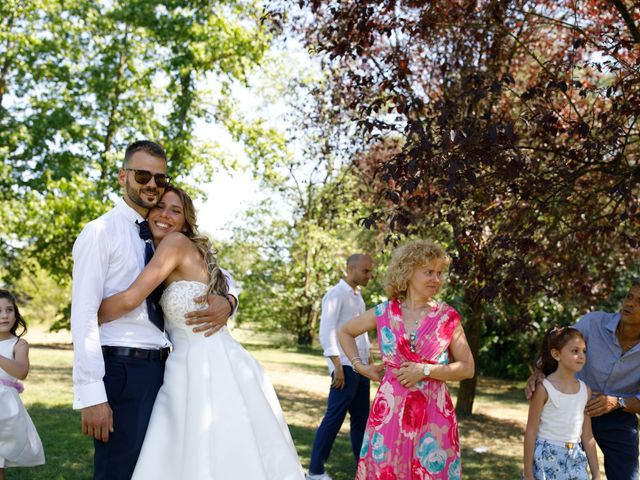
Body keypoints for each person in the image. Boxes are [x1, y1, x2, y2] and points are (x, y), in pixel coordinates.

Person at [97, 186, 304, 479]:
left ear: (185, 222)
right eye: (160, 207)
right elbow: (226, 279)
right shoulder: (174, 249)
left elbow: (132, 298)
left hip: (208, 364)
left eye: (175, 210)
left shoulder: (174, 243)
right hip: (193, 361)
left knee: (215, 451)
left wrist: (85, 313)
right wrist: (230, 298)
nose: (165, 215)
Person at [71, 140, 238, 480]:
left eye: (159, 179)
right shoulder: (100, 232)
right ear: (123, 176)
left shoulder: (163, 236)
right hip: (122, 367)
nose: (151, 185)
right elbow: (83, 314)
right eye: (143, 175)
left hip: (166, 369)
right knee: (119, 470)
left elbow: (220, 276)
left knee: (159, 469)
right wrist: (91, 396)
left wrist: (229, 299)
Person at [338, 239, 474, 480]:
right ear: (408, 272)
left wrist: (425, 370)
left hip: (434, 415)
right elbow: (344, 332)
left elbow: (467, 368)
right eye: (428, 272)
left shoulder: (448, 317)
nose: (436, 279)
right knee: (386, 471)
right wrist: (360, 367)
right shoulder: (384, 312)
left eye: (439, 273)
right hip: (390, 412)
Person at [526, 280, 640, 480]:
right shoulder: (593, 322)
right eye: (629, 297)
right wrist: (539, 371)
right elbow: (559, 346)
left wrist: (617, 402)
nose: (630, 304)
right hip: (571, 410)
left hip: (619, 418)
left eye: (639, 301)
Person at [307, 254, 374, 480]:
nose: (369, 275)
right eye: (365, 270)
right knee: (334, 418)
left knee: (361, 422)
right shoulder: (336, 295)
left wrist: (368, 358)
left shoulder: (358, 296)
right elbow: (327, 331)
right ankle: (315, 471)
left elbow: (359, 331)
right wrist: (336, 365)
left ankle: (363, 471)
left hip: (361, 368)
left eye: (370, 271)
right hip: (345, 367)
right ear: (350, 268)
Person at [523, 327, 600, 480]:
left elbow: (587, 435)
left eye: (584, 351)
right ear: (556, 354)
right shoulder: (544, 389)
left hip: (575, 458)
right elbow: (531, 432)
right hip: (546, 459)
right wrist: (528, 474)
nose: (581, 356)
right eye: (575, 351)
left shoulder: (585, 391)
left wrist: (596, 475)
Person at [0, 289, 45, 479]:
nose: (4, 315)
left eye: (9, 310)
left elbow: (21, 371)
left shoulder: (19, 344)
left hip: (4, 408)